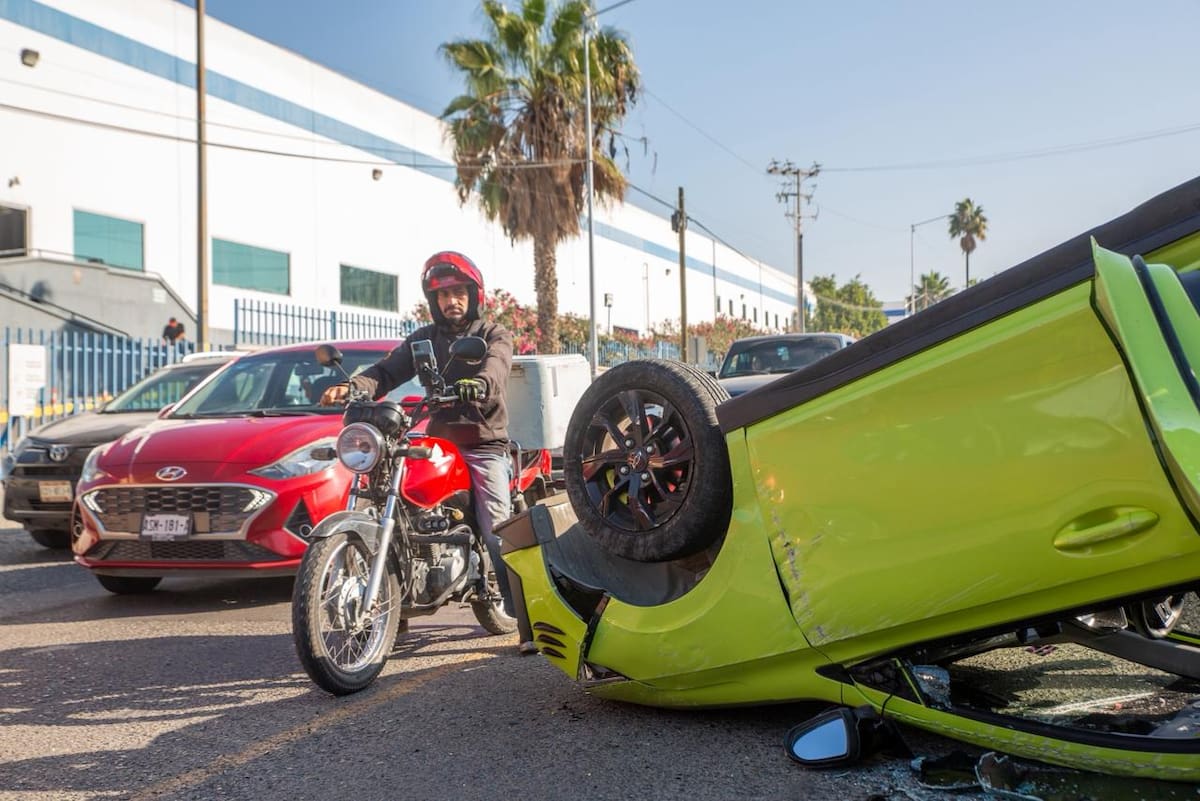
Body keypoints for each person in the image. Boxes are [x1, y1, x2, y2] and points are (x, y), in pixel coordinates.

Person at [320, 251, 533, 654]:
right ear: (432, 300)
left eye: (458, 292)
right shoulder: (422, 340)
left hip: (483, 443)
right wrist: (356, 387)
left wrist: (480, 383)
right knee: (396, 507)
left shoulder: (494, 333)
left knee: (497, 527)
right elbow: (385, 372)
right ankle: (391, 615)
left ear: (473, 294)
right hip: (439, 441)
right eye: (443, 294)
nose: (451, 300)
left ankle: (527, 624)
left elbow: (497, 366)